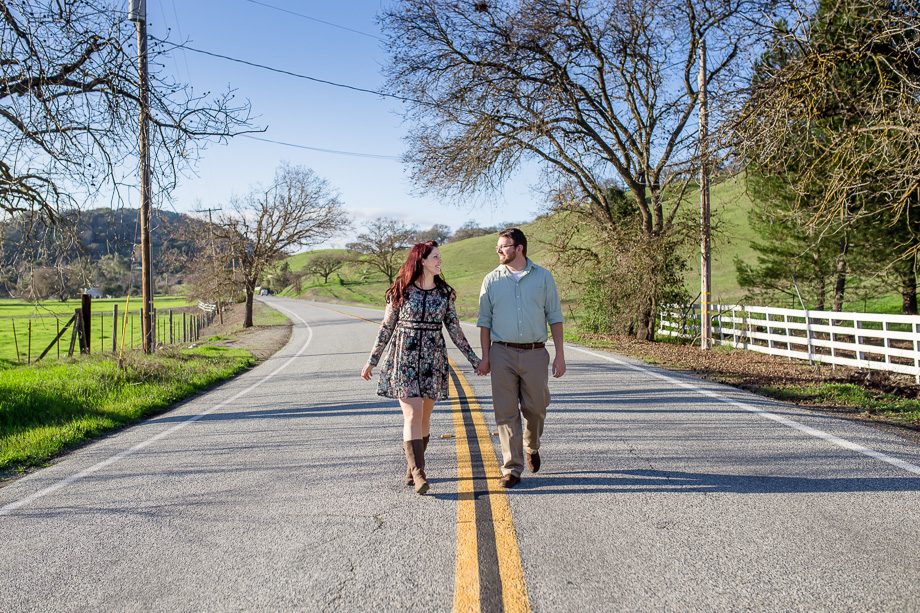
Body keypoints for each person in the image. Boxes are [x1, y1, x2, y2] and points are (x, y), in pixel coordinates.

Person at [362, 241, 481, 495]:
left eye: (440, 257)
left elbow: (455, 330)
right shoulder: (401, 290)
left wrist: (474, 359)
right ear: (422, 260)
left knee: (425, 418)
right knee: (413, 415)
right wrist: (372, 360)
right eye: (435, 257)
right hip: (403, 358)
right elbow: (386, 327)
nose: (440, 261)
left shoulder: (444, 294)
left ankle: (411, 465)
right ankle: (419, 473)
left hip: (432, 361)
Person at [475, 228, 565, 488]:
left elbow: (555, 317)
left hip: (536, 353)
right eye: (498, 247)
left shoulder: (543, 277)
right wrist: (485, 357)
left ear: (519, 248)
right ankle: (511, 468)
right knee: (505, 412)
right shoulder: (491, 280)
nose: (499, 251)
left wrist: (560, 355)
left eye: (503, 246)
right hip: (501, 352)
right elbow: (484, 322)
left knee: (536, 408)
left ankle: (531, 446)